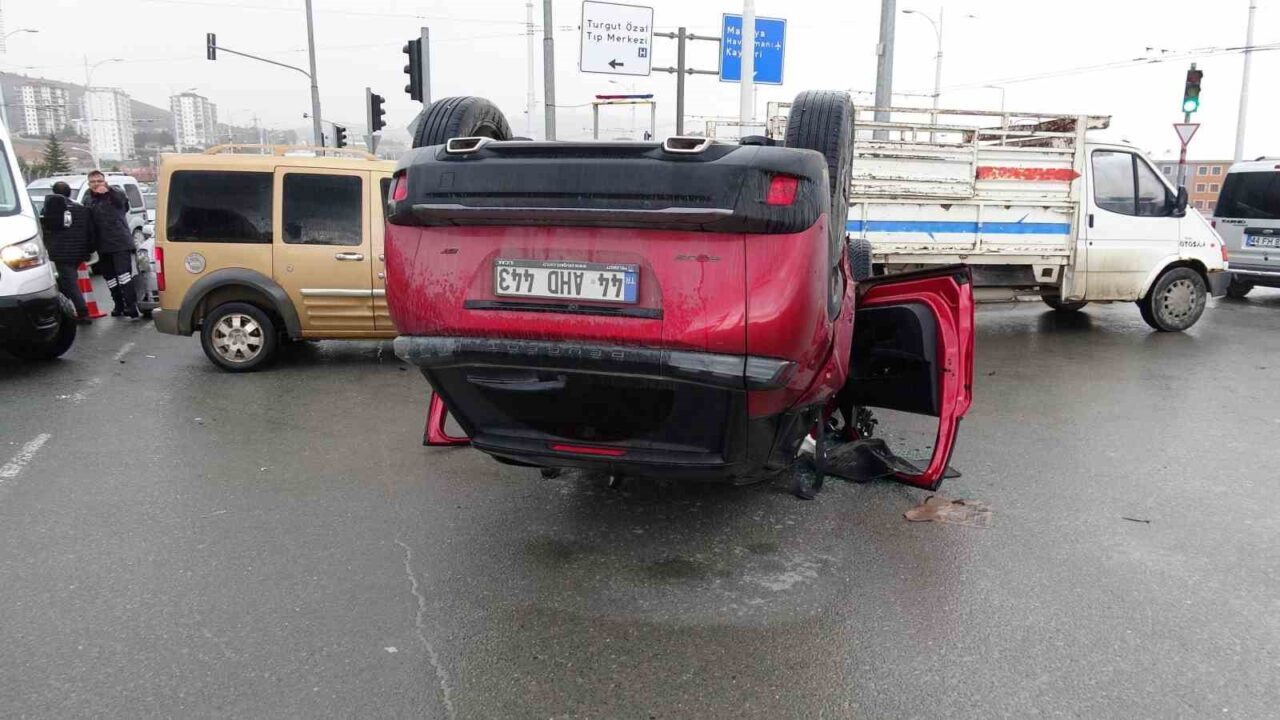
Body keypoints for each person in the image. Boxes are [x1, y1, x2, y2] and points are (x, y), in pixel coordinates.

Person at [40, 181, 97, 323]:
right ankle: (59, 307)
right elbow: (90, 231)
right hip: (79, 252)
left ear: (54, 193)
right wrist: (89, 249)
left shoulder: (52, 209)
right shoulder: (81, 209)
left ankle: (82, 312)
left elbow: (46, 227)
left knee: (69, 283)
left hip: (62, 253)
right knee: (66, 281)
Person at [83, 170, 138, 318]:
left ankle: (132, 306)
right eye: (93, 182)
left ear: (104, 181)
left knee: (124, 275)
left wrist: (108, 192)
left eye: (99, 181)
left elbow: (124, 205)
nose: (96, 185)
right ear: (89, 184)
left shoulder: (115, 193)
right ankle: (118, 305)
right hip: (102, 245)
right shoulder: (87, 198)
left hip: (120, 242)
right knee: (110, 278)